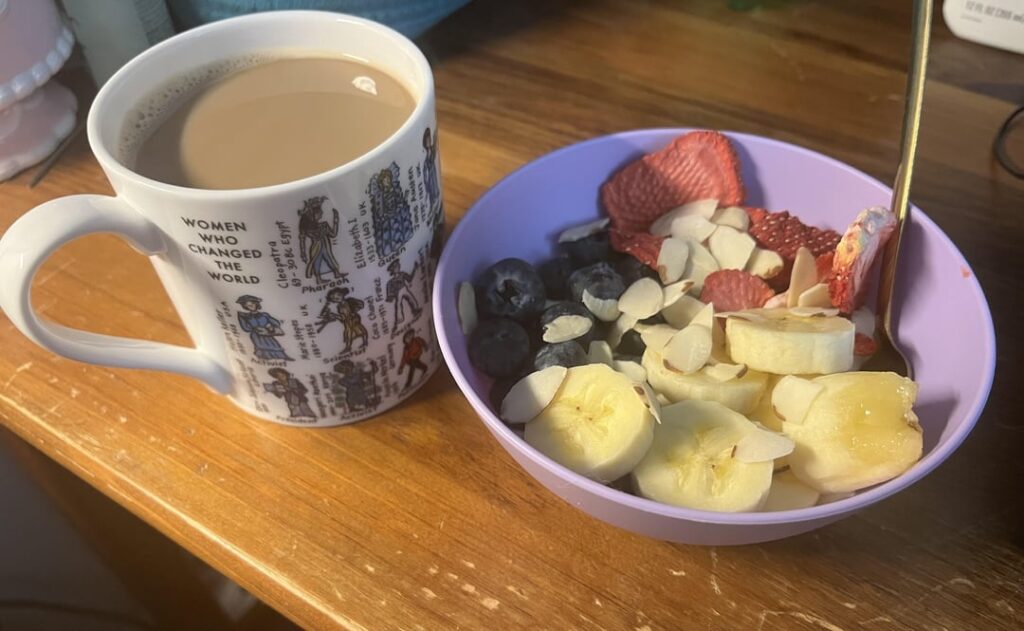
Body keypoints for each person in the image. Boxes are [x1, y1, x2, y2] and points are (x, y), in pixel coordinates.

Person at [298, 196, 344, 284]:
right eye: (319, 213)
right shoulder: (308, 229)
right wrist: (303, 253)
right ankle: (318, 279)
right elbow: (302, 240)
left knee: (330, 258)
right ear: (312, 215)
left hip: (325, 245)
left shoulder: (324, 225)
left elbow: (333, 234)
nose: (322, 213)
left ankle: (337, 273)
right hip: (316, 247)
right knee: (317, 261)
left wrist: (336, 220)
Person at [236, 295, 292, 361]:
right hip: (257, 335)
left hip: (267, 333)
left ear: (256, 304)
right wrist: (254, 328)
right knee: (261, 348)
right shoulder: (246, 317)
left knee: (274, 345)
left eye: (253, 304)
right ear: (245, 307)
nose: (251, 306)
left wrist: (270, 326)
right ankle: (264, 359)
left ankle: (283, 357)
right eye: (248, 305)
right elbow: (246, 328)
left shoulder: (264, 315)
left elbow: (276, 323)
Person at [317, 287, 368, 352]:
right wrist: (335, 316)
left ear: (342, 294)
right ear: (333, 300)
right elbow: (342, 318)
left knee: (361, 330)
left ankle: (365, 342)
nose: (336, 297)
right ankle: (348, 347)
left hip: (353, 319)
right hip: (347, 322)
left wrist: (354, 312)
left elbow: (360, 305)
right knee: (349, 333)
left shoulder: (349, 301)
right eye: (333, 298)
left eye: (338, 295)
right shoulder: (339, 307)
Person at [385, 259, 421, 329]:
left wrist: (414, 269)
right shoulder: (390, 282)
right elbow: (389, 294)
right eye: (396, 266)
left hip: (404, 288)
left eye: (398, 265)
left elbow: (410, 279)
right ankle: (399, 318)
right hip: (398, 292)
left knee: (410, 297)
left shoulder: (402, 274)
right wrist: (391, 296)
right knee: (398, 303)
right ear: (393, 270)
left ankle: (415, 309)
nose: (399, 266)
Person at [422, 127, 441, 211]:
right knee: (432, 194)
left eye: (429, 139)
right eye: (427, 140)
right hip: (430, 176)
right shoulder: (426, 154)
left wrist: (434, 137)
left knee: (435, 191)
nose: (429, 141)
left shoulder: (431, 151)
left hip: (432, 174)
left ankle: (436, 209)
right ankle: (433, 210)